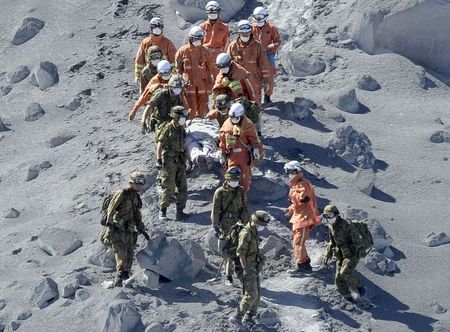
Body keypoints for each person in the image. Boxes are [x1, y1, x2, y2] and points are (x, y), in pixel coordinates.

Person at [100, 171, 150, 287]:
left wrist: (141, 228)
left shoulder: (135, 197)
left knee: (129, 252)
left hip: (129, 230)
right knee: (120, 251)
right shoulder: (122, 193)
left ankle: (125, 276)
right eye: (137, 182)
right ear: (131, 182)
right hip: (117, 228)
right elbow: (111, 209)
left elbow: (137, 214)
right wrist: (110, 224)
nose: (139, 185)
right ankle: (120, 277)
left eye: (142, 182)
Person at [229, 210, 271, 325]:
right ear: (255, 222)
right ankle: (237, 316)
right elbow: (241, 253)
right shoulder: (246, 233)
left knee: (257, 293)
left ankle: (250, 315)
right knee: (251, 294)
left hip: (254, 266)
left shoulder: (254, 231)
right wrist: (245, 269)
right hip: (246, 267)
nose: (263, 227)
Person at [211, 166, 251, 284]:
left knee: (239, 251)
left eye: (236, 180)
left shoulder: (240, 191)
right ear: (227, 180)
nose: (235, 183)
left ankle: (239, 275)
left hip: (238, 225)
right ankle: (228, 276)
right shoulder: (220, 192)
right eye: (232, 180)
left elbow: (244, 209)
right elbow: (215, 210)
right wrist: (215, 226)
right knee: (226, 252)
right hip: (225, 226)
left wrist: (247, 224)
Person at [320, 205, 366, 302]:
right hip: (340, 254)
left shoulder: (346, 225)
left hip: (352, 254)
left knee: (344, 273)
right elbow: (332, 242)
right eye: (326, 216)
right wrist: (327, 253)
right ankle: (348, 297)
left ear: (336, 214)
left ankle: (359, 285)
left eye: (330, 215)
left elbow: (358, 239)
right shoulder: (331, 227)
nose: (328, 218)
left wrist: (358, 250)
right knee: (338, 279)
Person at [284, 160, 321, 273]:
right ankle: (305, 263)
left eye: (290, 172)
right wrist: (290, 209)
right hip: (299, 217)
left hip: (305, 217)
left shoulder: (303, 184)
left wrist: (295, 197)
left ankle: (301, 266)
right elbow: (297, 204)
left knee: (298, 242)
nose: (289, 174)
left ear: (296, 171)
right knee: (297, 241)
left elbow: (304, 199)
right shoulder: (297, 185)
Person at [219, 102, 263, 191]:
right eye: (232, 117)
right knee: (231, 176)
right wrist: (222, 153)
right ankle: (230, 195)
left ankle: (242, 195)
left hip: (244, 155)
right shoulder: (226, 125)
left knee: (245, 178)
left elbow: (254, 139)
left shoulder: (248, 125)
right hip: (232, 155)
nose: (234, 120)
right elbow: (223, 140)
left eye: (236, 118)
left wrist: (256, 149)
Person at [156, 106, 190, 221]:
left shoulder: (181, 128)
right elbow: (160, 144)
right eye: (181, 117)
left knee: (182, 185)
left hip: (180, 159)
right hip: (169, 160)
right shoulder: (167, 128)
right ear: (175, 117)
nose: (183, 119)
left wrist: (189, 159)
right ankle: (163, 211)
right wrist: (158, 160)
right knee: (169, 186)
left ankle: (180, 211)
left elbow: (184, 144)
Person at [227, 20, 271, 107]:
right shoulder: (233, 46)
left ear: (250, 31)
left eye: (247, 32)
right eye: (242, 33)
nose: (245, 35)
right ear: (239, 32)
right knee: (238, 107)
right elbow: (227, 65)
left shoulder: (258, 46)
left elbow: (264, 65)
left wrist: (266, 81)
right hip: (238, 84)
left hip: (254, 82)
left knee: (254, 107)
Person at [175, 26, 215, 119]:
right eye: (195, 38)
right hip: (188, 86)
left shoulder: (206, 52)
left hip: (202, 85)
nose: (197, 41)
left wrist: (210, 86)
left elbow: (210, 70)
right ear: (190, 38)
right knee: (189, 109)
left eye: (199, 39)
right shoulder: (182, 51)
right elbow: (178, 71)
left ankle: (201, 123)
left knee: (203, 109)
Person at [134, 17, 177, 88]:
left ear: (162, 29)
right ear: (151, 29)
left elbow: (174, 61)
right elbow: (139, 60)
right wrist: (137, 75)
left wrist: (173, 75)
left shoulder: (167, 43)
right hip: (148, 74)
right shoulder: (145, 43)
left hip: (164, 75)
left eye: (159, 27)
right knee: (147, 93)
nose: (157, 30)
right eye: (155, 27)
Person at [251, 6, 281, 104]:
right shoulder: (251, 28)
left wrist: (271, 46)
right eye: (256, 16)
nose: (258, 19)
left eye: (260, 16)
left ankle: (267, 96)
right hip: (255, 55)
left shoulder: (271, 28)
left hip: (268, 54)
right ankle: (256, 96)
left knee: (270, 74)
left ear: (265, 16)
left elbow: (278, 40)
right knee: (254, 75)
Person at [200, 1, 230, 77]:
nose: (212, 13)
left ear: (218, 11)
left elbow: (226, 45)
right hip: (205, 56)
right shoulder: (202, 27)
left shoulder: (224, 28)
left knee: (219, 78)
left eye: (214, 11)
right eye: (210, 11)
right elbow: (197, 44)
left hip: (218, 57)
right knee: (205, 78)